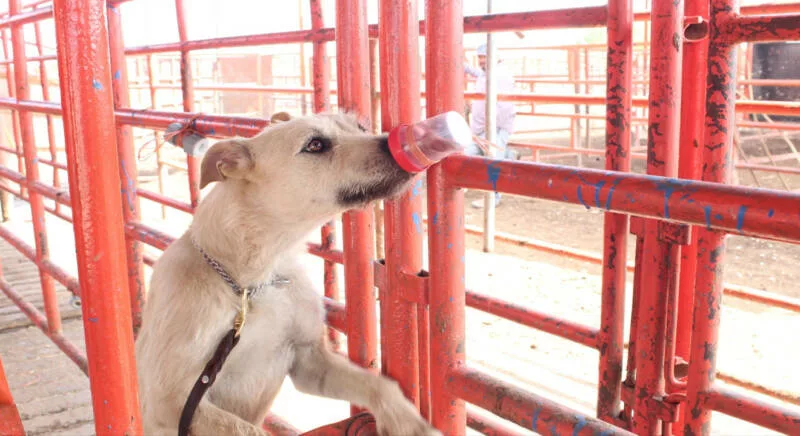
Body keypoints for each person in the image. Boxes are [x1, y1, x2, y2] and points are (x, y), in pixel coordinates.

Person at [463, 43, 517, 207]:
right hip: (481, 127)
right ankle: (508, 155)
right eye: (479, 57)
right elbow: (479, 73)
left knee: (493, 161)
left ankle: (494, 197)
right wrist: (464, 66)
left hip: (494, 127)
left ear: (494, 57)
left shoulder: (501, 76)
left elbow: (504, 106)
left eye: (484, 57)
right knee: (466, 154)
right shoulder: (488, 73)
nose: (481, 61)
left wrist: (495, 129)